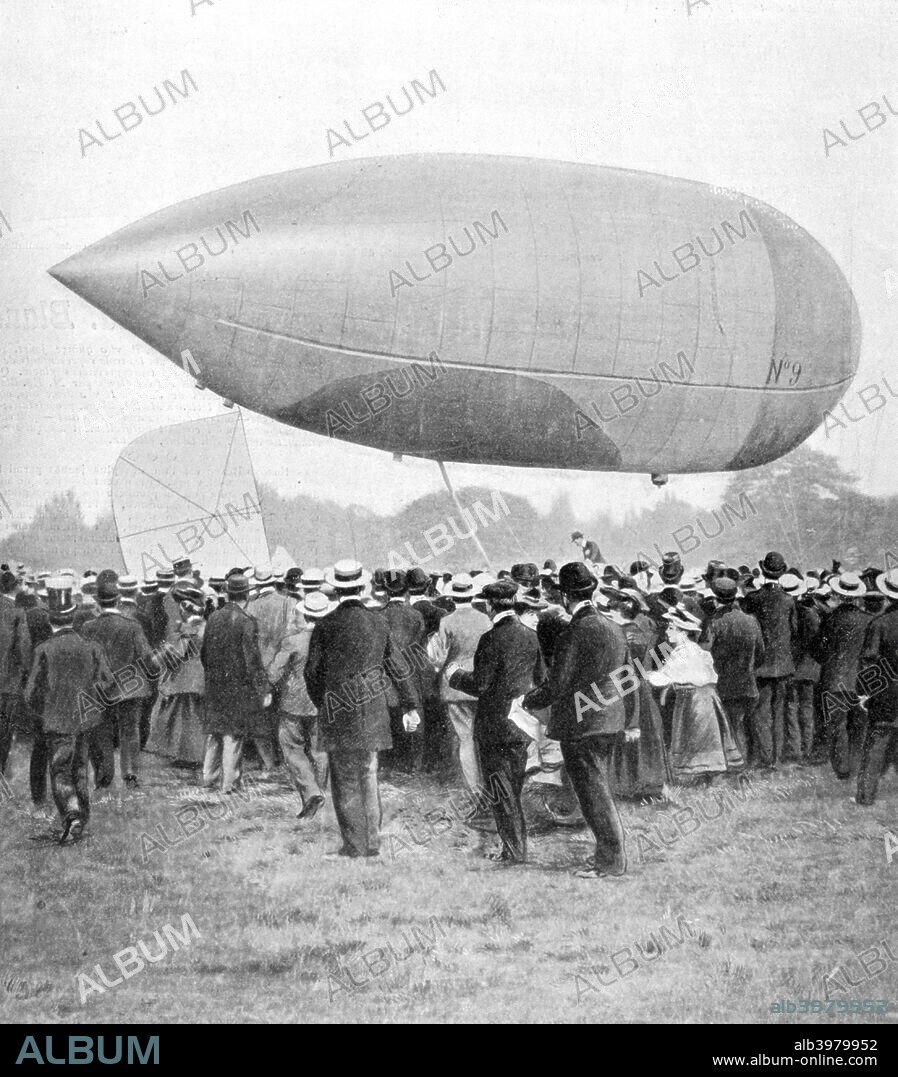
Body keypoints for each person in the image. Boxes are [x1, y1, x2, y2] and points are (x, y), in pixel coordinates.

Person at [524, 563, 635, 878]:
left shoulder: (574, 631)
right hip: (610, 721)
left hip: (582, 725)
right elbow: (628, 678)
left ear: (563, 595)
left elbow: (556, 685)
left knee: (594, 793)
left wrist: (527, 701)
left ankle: (610, 861)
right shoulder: (614, 628)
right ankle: (607, 856)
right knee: (596, 790)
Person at [304, 560, 420, 859]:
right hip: (372, 708)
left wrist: (323, 702)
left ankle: (353, 845)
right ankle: (372, 842)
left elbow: (311, 673)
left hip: (337, 709)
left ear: (336, 588)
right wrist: (409, 704)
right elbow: (398, 667)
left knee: (343, 778)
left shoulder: (324, 624)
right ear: (361, 585)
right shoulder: (379, 622)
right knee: (369, 773)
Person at [449, 578, 545, 865]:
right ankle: (514, 849)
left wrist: (455, 675)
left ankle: (514, 852)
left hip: (495, 726)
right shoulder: (530, 635)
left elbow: (480, 684)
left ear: (490, 605)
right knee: (512, 787)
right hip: (522, 723)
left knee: (502, 793)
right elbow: (541, 679)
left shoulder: (490, 639)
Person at [24, 578, 115, 844]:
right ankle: (80, 817)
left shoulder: (44, 650)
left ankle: (72, 815)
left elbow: (30, 694)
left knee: (61, 770)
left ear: (51, 619)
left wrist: (44, 712)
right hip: (85, 719)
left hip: (57, 720)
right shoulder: (92, 648)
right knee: (80, 769)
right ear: (73, 617)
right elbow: (109, 683)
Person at [647, 607, 744, 782]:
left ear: (683, 631)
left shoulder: (683, 654)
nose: (667, 632)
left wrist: (646, 676)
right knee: (707, 735)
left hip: (693, 701)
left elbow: (664, 678)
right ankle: (707, 774)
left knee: (696, 736)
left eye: (671, 628)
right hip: (706, 698)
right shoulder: (696, 651)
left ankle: (704, 774)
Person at [81, 570, 156, 788]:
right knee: (130, 730)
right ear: (118, 599)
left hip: (100, 689)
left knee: (102, 730)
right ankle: (130, 774)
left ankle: (104, 777)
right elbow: (149, 658)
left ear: (98, 601)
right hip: (130, 688)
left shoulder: (88, 627)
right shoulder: (132, 626)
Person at [200, 574, 271, 794]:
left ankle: (208, 778)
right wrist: (263, 689)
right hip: (237, 686)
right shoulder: (246, 621)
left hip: (214, 683)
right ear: (247, 594)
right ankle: (229, 784)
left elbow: (204, 654)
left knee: (215, 733)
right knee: (233, 735)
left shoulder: (213, 618)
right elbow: (252, 661)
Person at [427, 574, 492, 803]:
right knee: (482, 737)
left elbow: (437, 658)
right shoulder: (485, 619)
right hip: (482, 683)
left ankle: (476, 789)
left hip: (454, 686)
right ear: (472, 594)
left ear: (453, 596)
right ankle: (490, 785)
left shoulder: (447, 621)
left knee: (465, 738)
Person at [269, 591, 330, 820]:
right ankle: (321, 792)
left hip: (293, 701)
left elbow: (275, 671)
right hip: (322, 701)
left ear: (304, 614)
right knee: (320, 750)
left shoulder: (292, 641)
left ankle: (311, 791)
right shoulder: (330, 640)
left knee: (292, 749)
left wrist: (270, 687)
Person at [812, 571, 871, 780]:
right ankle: (859, 765)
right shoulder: (868, 620)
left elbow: (817, 650)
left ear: (838, 593)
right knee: (859, 725)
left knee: (837, 727)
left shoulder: (830, 619)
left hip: (834, 678)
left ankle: (843, 769)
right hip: (862, 681)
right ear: (857, 596)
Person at [699, 576, 765, 764]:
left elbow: (705, 652)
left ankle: (738, 766)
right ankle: (754, 762)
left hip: (726, 683)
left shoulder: (714, 622)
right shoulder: (751, 620)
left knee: (732, 727)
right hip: (749, 682)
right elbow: (761, 652)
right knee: (750, 725)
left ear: (715, 598)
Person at [742, 551, 798, 769]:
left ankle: (766, 758)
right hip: (783, 665)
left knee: (762, 713)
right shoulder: (789, 601)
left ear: (764, 571)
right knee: (779, 712)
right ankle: (777, 757)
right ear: (782, 572)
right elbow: (794, 631)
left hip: (761, 666)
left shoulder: (753, 599)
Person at [146, 585, 207, 768]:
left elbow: (176, 654)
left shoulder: (188, 629)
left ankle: (190, 756)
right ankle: (190, 755)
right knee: (191, 717)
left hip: (185, 677)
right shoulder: (204, 624)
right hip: (199, 677)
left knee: (184, 717)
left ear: (184, 607)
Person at [856, 569, 898, 804]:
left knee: (876, 746)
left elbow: (869, 661)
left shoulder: (879, 623)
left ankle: (865, 796)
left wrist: (865, 693)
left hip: (886, 693)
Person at [378, 570, 427, 774]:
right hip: (412, 672)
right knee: (414, 717)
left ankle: (387, 763)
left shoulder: (378, 616)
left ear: (385, 592)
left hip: (384, 676)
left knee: (388, 717)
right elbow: (421, 646)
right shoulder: (416, 616)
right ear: (407, 590)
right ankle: (415, 765)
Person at [0, 568, 31, 777]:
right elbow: (23, 650)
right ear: (14, 587)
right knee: (4, 730)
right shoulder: (17, 613)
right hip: (9, 683)